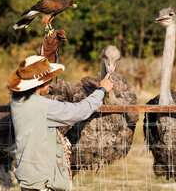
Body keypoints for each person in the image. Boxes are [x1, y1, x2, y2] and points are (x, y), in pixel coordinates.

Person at [8, 55, 113, 191]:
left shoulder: (16, 102)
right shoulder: (42, 106)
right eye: (48, 79)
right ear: (39, 84)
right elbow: (79, 111)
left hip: (29, 178)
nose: (51, 83)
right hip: (43, 181)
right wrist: (101, 90)